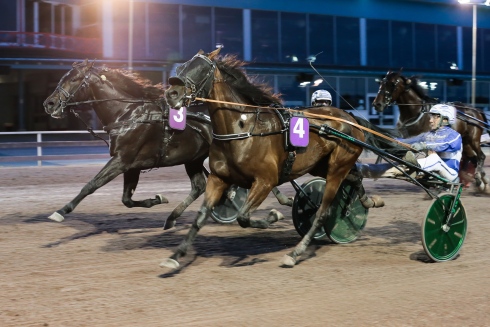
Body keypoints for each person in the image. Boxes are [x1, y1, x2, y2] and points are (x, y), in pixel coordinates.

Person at [381, 103, 462, 182]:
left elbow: (444, 144)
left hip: (450, 173)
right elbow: (409, 141)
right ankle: (371, 169)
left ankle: (415, 167)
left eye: (435, 117)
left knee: (434, 158)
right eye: (431, 117)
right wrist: (392, 140)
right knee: (422, 158)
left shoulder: (455, 136)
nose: (430, 120)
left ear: (445, 119)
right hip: (431, 171)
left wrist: (424, 145)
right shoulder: (428, 134)